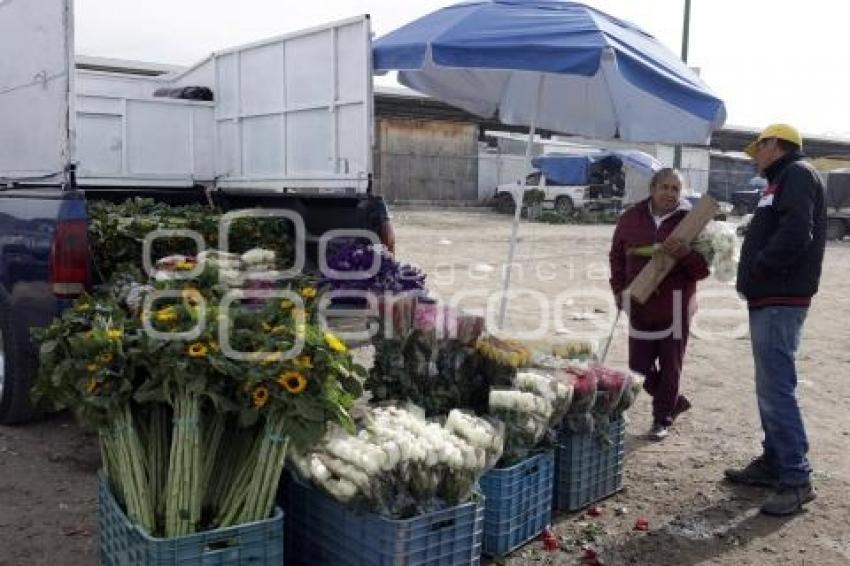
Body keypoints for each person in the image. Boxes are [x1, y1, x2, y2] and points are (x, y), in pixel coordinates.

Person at [724, 124, 827, 516]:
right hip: (771, 295)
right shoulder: (781, 179)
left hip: (781, 295)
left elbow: (797, 231)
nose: (755, 155)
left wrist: (762, 267)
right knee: (770, 385)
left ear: (775, 145)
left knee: (776, 388)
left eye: (759, 148)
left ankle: (797, 479)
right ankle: (774, 461)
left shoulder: (796, 174)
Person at [609, 168, 710, 441]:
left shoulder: (692, 222)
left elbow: (702, 270)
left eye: (675, 189)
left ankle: (661, 418)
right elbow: (617, 256)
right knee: (638, 366)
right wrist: (618, 290)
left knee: (670, 365)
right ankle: (674, 401)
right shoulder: (631, 217)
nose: (669, 193)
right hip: (639, 303)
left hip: (675, 306)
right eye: (664, 187)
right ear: (652, 189)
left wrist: (686, 254)